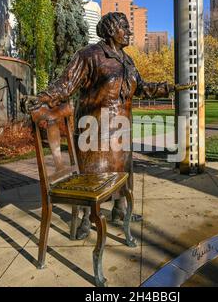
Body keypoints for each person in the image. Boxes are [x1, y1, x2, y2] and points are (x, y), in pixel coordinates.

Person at [30, 12, 190, 239]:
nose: (129, 32)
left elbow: (142, 88)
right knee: (93, 174)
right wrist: (43, 97)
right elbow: (65, 85)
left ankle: (120, 210)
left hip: (122, 130)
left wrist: (170, 88)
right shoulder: (89, 56)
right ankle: (87, 217)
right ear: (111, 30)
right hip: (94, 131)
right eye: (125, 27)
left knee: (123, 172)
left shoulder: (127, 60)